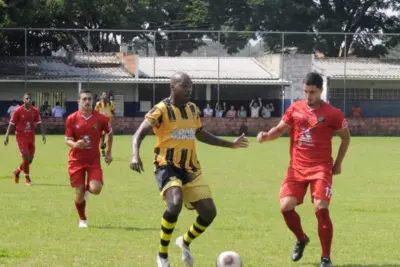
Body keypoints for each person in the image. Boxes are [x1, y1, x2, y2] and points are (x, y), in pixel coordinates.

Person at [130, 72, 249, 267]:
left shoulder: (193, 109)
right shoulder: (161, 109)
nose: (189, 89)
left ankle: (184, 241)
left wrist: (231, 145)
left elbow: (201, 134)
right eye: (184, 85)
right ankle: (162, 255)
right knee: (175, 202)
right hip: (166, 165)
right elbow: (139, 133)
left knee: (209, 212)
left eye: (190, 86)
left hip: (191, 168)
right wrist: (135, 154)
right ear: (173, 86)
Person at [257, 72, 351, 267]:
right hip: (297, 168)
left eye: (313, 92)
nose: (309, 96)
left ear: (321, 91)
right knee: (285, 206)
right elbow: (280, 129)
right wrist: (267, 136)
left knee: (321, 208)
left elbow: (345, 137)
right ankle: (301, 239)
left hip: (321, 168)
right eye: (306, 92)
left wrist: (338, 163)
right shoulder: (295, 108)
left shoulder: (333, 113)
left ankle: (326, 258)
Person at [65, 90, 113, 228]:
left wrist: (108, 152)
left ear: (93, 101)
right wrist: (75, 144)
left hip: (93, 161)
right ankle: (83, 219)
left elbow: (110, 133)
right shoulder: (71, 119)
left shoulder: (101, 118)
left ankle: (87, 188)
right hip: (76, 161)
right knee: (79, 194)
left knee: (96, 189)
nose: (87, 102)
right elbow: (67, 139)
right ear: (78, 101)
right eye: (84, 99)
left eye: (89, 99)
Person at [4, 93, 46, 185]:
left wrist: (43, 134)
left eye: (30, 98)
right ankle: (27, 179)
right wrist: (7, 135)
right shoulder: (18, 110)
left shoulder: (35, 111)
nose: (29, 100)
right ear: (23, 100)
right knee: (26, 158)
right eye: (27, 98)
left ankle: (17, 172)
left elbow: (39, 122)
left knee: (29, 160)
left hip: (31, 137)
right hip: (21, 137)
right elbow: (11, 124)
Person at [95, 91, 115, 157]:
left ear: (107, 96)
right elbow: (96, 113)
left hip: (108, 121)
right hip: (100, 122)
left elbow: (112, 111)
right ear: (101, 96)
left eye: (106, 95)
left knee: (108, 135)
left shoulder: (110, 103)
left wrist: (113, 118)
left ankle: (105, 149)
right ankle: (102, 149)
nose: (105, 96)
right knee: (102, 137)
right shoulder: (98, 104)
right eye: (103, 94)